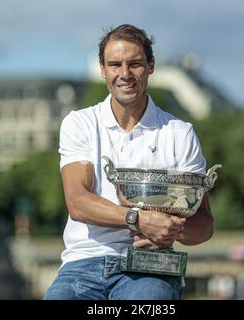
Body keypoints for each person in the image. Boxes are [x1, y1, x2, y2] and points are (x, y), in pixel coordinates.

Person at [44, 24, 214, 300]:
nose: (124, 74)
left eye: (134, 64)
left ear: (151, 65)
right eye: (115, 64)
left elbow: (204, 224)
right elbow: (77, 202)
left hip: (151, 268)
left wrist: (175, 229)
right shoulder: (80, 123)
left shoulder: (179, 132)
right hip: (83, 264)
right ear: (102, 69)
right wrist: (140, 219)